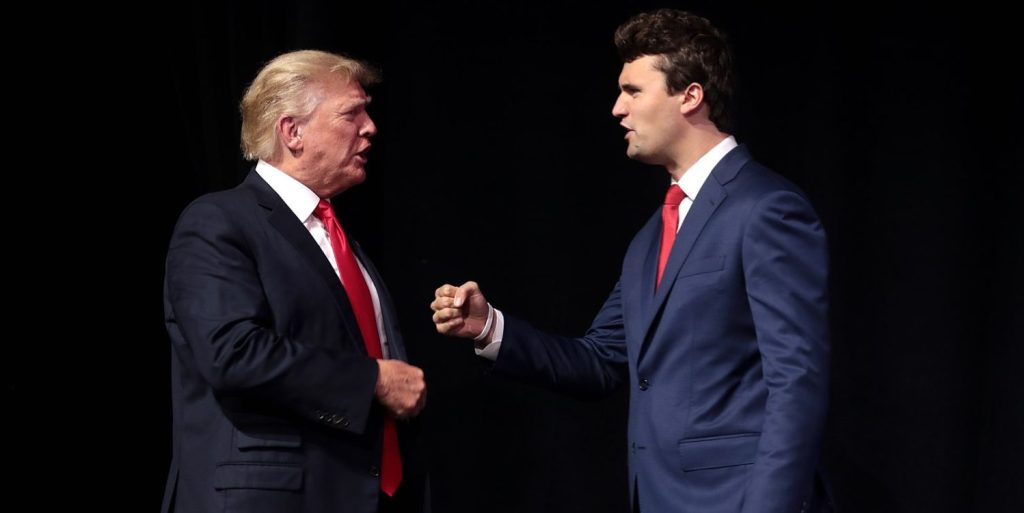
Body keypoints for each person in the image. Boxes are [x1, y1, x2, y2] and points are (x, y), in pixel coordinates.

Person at [431, 9, 830, 513]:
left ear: (690, 96)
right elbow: (601, 360)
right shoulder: (651, 237)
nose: (618, 109)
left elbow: (797, 383)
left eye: (633, 91)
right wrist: (489, 327)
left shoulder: (766, 209)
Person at [163, 50, 428, 513]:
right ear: (292, 132)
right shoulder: (218, 221)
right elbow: (232, 352)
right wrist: (372, 381)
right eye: (351, 113)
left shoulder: (338, 237)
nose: (370, 127)